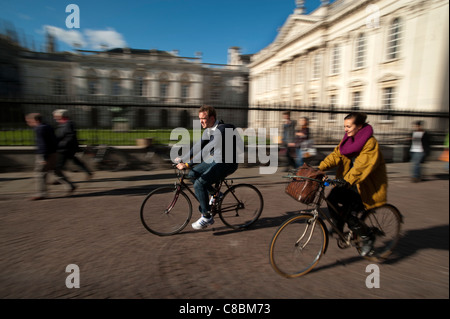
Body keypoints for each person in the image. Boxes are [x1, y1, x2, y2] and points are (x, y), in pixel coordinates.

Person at [318, 112, 387, 256]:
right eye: (344, 126)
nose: (346, 129)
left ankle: (367, 237)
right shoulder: (348, 141)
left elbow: (361, 167)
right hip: (349, 183)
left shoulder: (370, 143)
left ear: (359, 126)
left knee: (350, 215)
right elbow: (336, 155)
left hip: (366, 187)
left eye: (349, 126)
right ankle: (338, 225)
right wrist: (319, 168)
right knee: (331, 200)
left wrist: (346, 180)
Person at [176, 105, 241, 230]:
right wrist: (183, 158)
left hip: (227, 164)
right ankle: (215, 193)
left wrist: (188, 164)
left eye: (203, 118)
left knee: (199, 184)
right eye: (199, 118)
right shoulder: (209, 130)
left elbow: (206, 151)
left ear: (212, 118)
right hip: (215, 160)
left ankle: (207, 217)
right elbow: (198, 146)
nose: (201, 121)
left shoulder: (221, 131)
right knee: (192, 174)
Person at [25, 113, 76, 200]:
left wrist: (43, 157)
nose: (28, 123)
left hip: (45, 154)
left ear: (36, 120)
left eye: (29, 121)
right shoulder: (48, 126)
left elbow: (42, 144)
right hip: (53, 153)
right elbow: (54, 140)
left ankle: (41, 193)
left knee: (40, 173)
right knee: (56, 171)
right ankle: (70, 186)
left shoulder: (39, 129)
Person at [53, 109, 93, 180]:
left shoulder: (68, 123)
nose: (54, 118)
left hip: (66, 148)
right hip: (66, 148)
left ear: (61, 116)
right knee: (75, 161)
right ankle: (88, 172)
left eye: (56, 116)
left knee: (59, 165)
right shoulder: (62, 123)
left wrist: (61, 144)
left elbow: (70, 136)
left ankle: (60, 179)